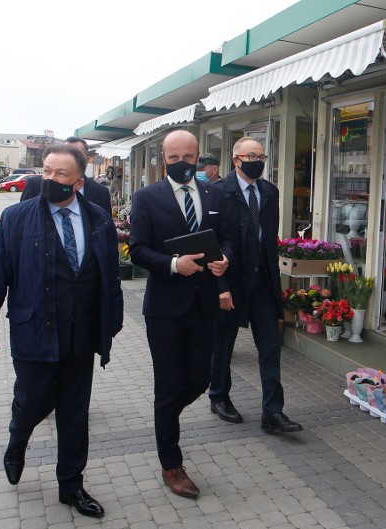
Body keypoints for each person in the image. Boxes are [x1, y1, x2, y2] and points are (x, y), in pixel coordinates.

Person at [0, 144, 124, 519]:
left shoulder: (98, 219)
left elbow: (110, 279)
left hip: (81, 335)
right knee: (32, 401)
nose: (50, 179)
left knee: (74, 412)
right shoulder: (16, 218)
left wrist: (112, 322)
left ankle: (71, 485)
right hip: (34, 331)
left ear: (78, 180)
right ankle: (17, 438)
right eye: (46, 171)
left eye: (60, 174)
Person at [129, 130, 231, 499]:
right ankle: (171, 464)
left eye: (189, 157)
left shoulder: (215, 194)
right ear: (163, 158)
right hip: (165, 311)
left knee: (200, 381)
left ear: (198, 156)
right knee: (168, 387)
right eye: (175, 158)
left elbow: (228, 237)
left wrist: (225, 261)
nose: (183, 164)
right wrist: (173, 264)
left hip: (204, 306)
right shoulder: (146, 198)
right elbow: (136, 250)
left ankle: (166, 415)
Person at [209, 137, 303, 435]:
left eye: (261, 155)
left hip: (262, 281)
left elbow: (268, 241)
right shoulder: (217, 192)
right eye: (252, 155)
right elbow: (211, 243)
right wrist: (221, 286)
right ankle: (219, 396)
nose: (258, 161)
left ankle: (273, 412)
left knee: (270, 347)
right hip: (232, 281)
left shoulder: (269, 192)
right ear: (236, 159)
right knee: (223, 345)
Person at [21, 136, 112, 215]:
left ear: (87, 160)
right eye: (65, 152)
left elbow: (104, 226)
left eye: (76, 154)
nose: (69, 157)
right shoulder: (34, 185)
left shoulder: (101, 192)